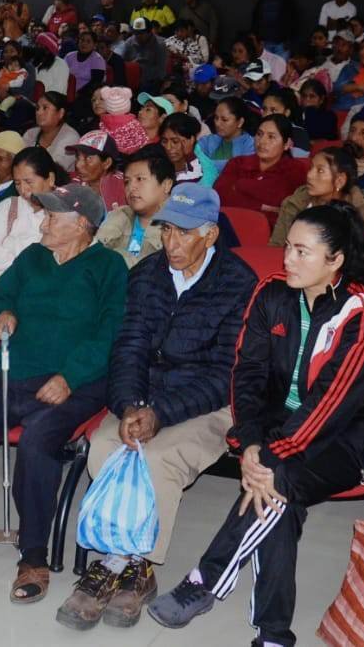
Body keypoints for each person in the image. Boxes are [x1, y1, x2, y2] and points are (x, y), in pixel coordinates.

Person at [147, 203, 364, 638]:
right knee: (280, 499)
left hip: (352, 432)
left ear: (335, 260)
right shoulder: (272, 293)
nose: (288, 259)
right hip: (283, 424)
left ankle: (205, 580)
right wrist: (250, 443)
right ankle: (273, 634)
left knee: (277, 482)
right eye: (288, 248)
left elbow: (330, 404)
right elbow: (246, 375)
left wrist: (267, 457)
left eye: (303, 252)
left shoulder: (363, 312)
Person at [58, 185, 256, 630]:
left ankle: (136, 566)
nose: (172, 244)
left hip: (207, 403)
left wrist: (161, 413)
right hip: (143, 395)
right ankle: (117, 561)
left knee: (159, 457)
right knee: (105, 446)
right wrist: (129, 405)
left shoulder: (238, 283)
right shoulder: (148, 273)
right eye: (167, 231)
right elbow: (128, 347)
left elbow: (224, 374)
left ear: (210, 235)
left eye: (184, 234)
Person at [0, 185, 126, 602]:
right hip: (12, 375)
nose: (43, 222)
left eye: (52, 216)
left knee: (36, 444)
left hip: (74, 384)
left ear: (82, 225)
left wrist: (69, 377)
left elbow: (111, 334)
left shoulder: (109, 266)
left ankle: (33, 554)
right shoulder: (33, 256)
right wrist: (1, 314)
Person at [268, 146, 364, 246]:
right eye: (311, 168)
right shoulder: (294, 203)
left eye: (320, 171)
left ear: (340, 181)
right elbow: (276, 248)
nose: (309, 175)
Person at [0, 146, 63, 276]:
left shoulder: (65, 215)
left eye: (29, 182)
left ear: (50, 179)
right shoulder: (10, 206)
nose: (23, 189)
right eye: (17, 183)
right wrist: (22, 270)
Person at [215, 114, 306, 225]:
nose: (262, 141)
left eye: (271, 137)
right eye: (259, 134)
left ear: (287, 144)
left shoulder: (296, 170)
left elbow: (288, 210)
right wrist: (262, 206)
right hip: (228, 225)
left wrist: (240, 187)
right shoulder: (237, 163)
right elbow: (219, 197)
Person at [96, 146, 175, 268]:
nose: (131, 187)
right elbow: (93, 256)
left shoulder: (177, 225)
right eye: (127, 181)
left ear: (166, 185)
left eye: (140, 179)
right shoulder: (119, 215)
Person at [67, 130, 126, 211]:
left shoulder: (124, 186)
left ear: (107, 163)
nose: (78, 165)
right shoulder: (70, 183)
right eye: (77, 157)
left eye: (88, 158)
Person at [21, 91, 79, 172]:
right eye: (37, 108)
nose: (39, 112)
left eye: (45, 108)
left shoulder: (71, 137)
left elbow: (54, 169)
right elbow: (20, 163)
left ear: (61, 113)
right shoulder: (30, 134)